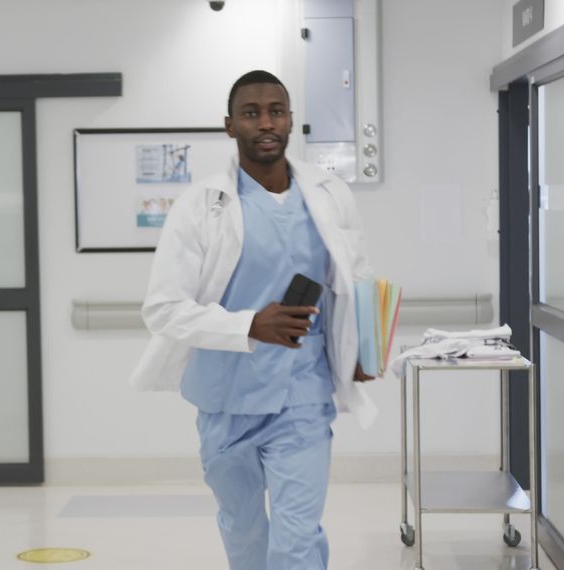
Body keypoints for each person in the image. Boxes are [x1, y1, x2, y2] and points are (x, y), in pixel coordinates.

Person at [128, 70, 378, 570]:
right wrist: (248, 326)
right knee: (244, 534)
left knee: (295, 540)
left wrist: (365, 351)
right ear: (229, 126)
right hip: (226, 400)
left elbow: (357, 277)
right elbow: (162, 307)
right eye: (251, 113)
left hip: (302, 398)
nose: (266, 122)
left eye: (276, 111)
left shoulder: (328, 195)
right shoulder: (201, 206)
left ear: (290, 120)